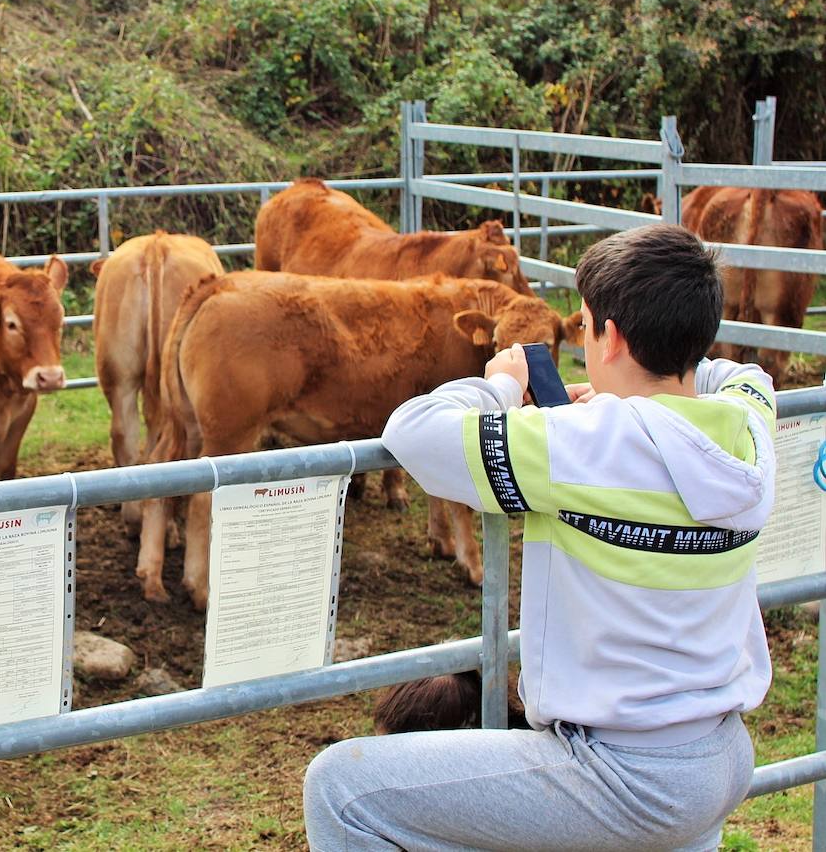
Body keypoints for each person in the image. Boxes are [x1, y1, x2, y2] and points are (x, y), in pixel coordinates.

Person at [303, 223, 778, 851]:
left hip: (624, 775)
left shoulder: (576, 446)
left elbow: (414, 430)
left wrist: (500, 380)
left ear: (609, 338)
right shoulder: (747, 428)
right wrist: (640, 396)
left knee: (341, 790)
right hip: (720, 754)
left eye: (583, 325)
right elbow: (739, 376)